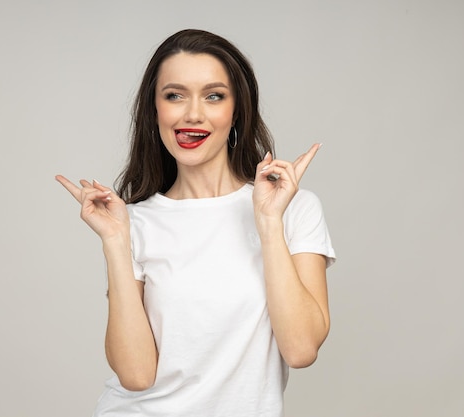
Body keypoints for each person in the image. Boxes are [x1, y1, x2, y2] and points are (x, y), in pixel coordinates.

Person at [56, 28, 335, 417]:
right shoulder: (133, 222)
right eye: (174, 95)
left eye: (213, 95)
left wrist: (269, 223)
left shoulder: (294, 209)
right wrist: (117, 241)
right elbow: (136, 376)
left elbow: (301, 349)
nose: (192, 114)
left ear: (237, 110)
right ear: (155, 111)